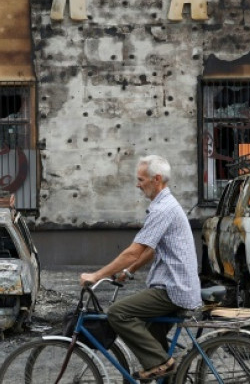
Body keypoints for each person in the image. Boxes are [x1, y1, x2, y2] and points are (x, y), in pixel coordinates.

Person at [80, 155, 201, 382]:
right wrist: (129, 271)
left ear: (156, 179)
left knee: (118, 312)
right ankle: (164, 369)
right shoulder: (165, 205)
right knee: (151, 334)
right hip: (176, 285)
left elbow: (133, 251)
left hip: (173, 289)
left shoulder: (163, 209)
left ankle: (161, 364)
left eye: (141, 179)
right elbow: (150, 250)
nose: (137, 185)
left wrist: (96, 275)